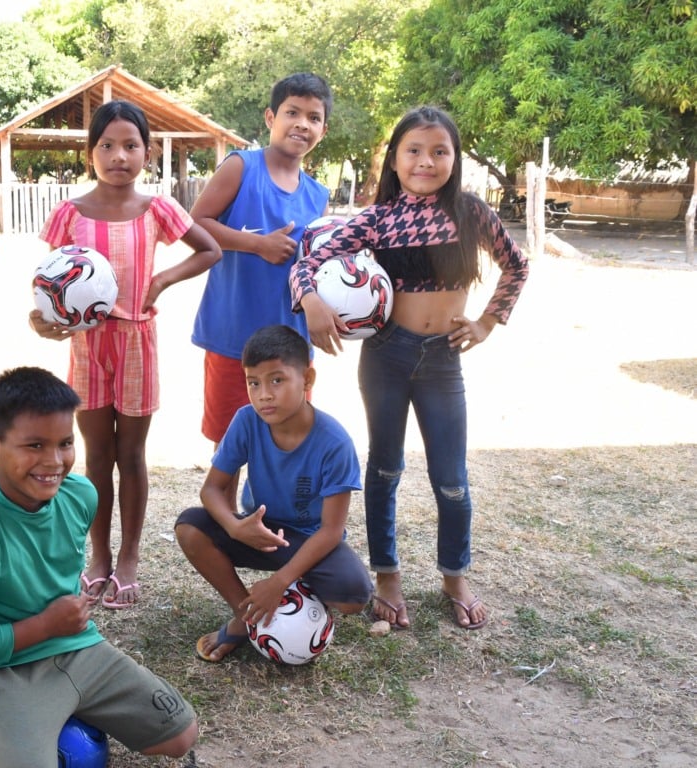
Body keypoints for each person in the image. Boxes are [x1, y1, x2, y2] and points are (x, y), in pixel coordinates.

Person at [291, 105, 530, 630]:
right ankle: (387, 577)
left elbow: (517, 263)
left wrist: (488, 321)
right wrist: (310, 302)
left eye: (439, 151)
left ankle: (454, 576)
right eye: (414, 151)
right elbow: (308, 262)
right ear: (395, 162)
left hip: (443, 360)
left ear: (455, 158)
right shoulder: (377, 220)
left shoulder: (470, 213)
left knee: (451, 477)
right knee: (384, 469)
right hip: (388, 355)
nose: (426, 161)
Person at [0, 366, 198, 767]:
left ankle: (57, 709)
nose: (54, 462)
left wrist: (59, 630)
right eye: (34, 445)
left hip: (77, 648)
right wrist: (44, 626)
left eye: (65, 443)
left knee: (179, 734)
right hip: (0, 671)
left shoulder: (81, 496)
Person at [30, 99, 220, 609]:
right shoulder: (70, 214)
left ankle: (130, 556)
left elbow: (210, 249)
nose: (119, 156)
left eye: (130, 145)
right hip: (88, 347)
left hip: (137, 340)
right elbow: (49, 283)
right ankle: (98, 557)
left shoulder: (157, 208)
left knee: (131, 455)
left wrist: (162, 278)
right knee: (97, 457)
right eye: (107, 145)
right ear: (91, 153)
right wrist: (44, 320)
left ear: (147, 152)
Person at [175, 325, 372, 663]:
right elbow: (211, 489)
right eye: (254, 382)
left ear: (307, 379)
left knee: (354, 594)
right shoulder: (246, 421)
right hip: (259, 535)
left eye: (277, 380)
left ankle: (294, 599)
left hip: (309, 541)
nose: (264, 394)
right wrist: (235, 527)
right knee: (190, 526)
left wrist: (280, 581)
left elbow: (331, 530)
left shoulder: (335, 443)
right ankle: (246, 616)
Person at [189, 73, 333, 507]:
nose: (301, 124)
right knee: (229, 441)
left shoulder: (318, 195)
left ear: (323, 131)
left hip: (291, 341)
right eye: (292, 112)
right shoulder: (241, 167)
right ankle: (222, 526)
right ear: (271, 116)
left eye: (313, 117)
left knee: (287, 438)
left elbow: (314, 265)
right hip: (234, 335)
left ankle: (273, 525)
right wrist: (258, 244)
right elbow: (195, 223)